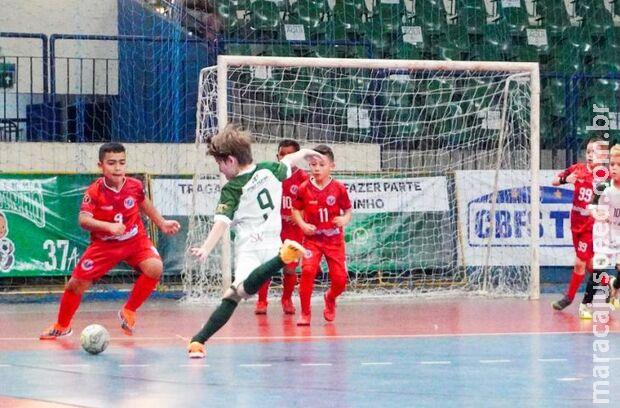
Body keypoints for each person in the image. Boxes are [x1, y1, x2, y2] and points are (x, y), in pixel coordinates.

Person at [187, 124, 322, 359]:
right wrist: (307, 152)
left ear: (230, 160)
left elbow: (221, 222)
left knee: (241, 292)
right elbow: (289, 160)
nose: (219, 169)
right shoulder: (269, 169)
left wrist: (206, 248)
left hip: (250, 247)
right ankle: (198, 340)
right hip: (273, 242)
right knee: (232, 296)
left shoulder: (232, 188)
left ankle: (284, 258)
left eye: (219, 163)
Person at [40, 143, 181, 339]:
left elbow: (142, 202)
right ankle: (62, 326)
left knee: (155, 268)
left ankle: (129, 311)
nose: (117, 168)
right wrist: (109, 227)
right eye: (112, 163)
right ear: (101, 166)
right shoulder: (94, 191)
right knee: (75, 285)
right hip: (104, 246)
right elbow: (83, 220)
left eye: (122, 163)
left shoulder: (135, 186)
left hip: (135, 240)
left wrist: (162, 222)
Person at [292, 145, 352, 326]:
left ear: (331, 166)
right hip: (313, 240)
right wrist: (302, 224)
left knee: (340, 280)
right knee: (308, 271)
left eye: (321, 164)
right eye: (313, 164)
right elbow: (295, 209)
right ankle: (305, 313)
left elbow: (348, 210)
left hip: (334, 240)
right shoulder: (304, 188)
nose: (317, 168)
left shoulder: (339, 188)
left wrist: (344, 219)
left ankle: (330, 297)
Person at [551, 136, 609, 319]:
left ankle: (569, 298)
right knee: (590, 265)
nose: (591, 155)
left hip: (591, 227)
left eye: (596, 152)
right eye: (588, 151)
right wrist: (566, 179)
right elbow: (554, 181)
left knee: (579, 263)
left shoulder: (604, 177)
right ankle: (609, 282)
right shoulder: (577, 169)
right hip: (575, 222)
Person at [255, 139, 308, 315]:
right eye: (282, 154)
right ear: (277, 156)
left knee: (290, 268)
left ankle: (287, 298)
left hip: (293, 231)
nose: (285, 157)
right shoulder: (269, 176)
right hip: (272, 229)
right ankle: (262, 301)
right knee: (267, 266)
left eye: (289, 155)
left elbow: (310, 205)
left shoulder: (303, 179)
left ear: (297, 158)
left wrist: (300, 217)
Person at [590, 144, 620, 307]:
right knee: (598, 269)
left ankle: (615, 287)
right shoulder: (604, 189)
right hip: (605, 235)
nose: (614, 168)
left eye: (619, 165)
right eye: (612, 164)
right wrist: (598, 215)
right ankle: (586, 305)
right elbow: (592, 206)